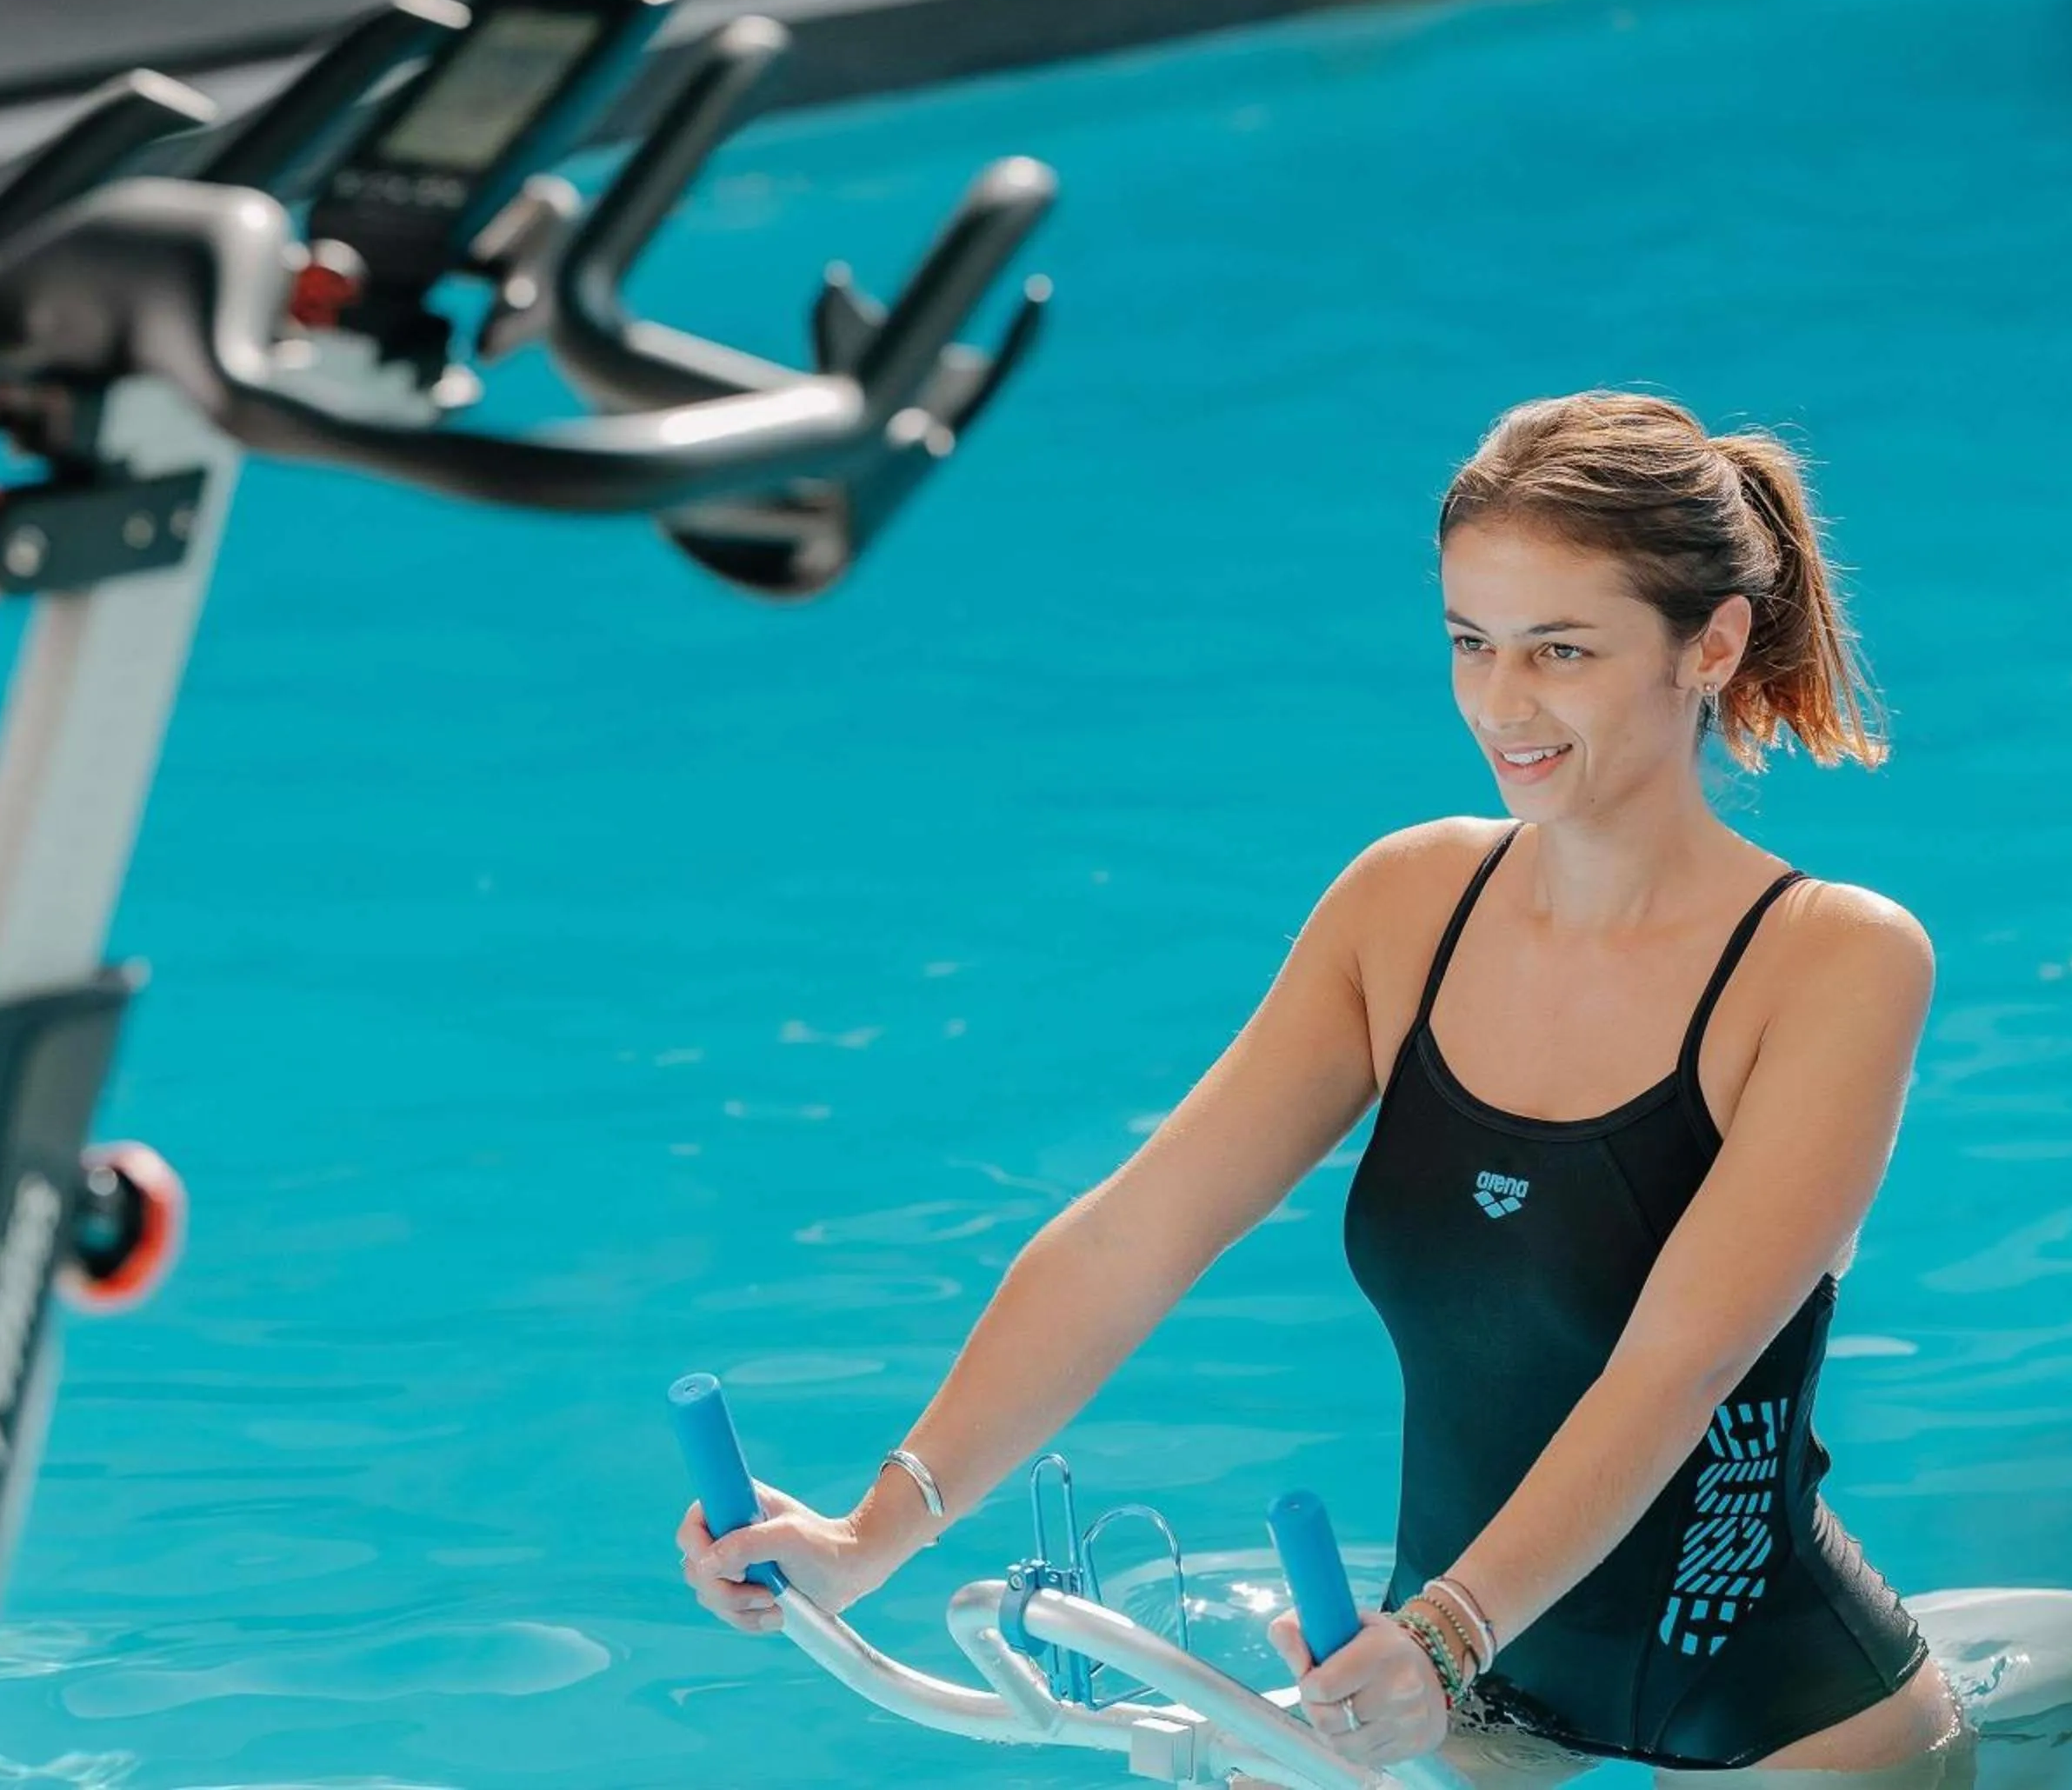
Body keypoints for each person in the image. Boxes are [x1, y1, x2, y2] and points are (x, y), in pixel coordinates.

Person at [677, 390, 1970, 1784]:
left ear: (1709, 642)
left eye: (1561, 649)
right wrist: (869, 1533)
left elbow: (1678, 1365)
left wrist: (1445, 1636)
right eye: (1470, 642)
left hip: (1773, 1717)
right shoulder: (1404, 905)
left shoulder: (1835, 961)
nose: (1502, 703)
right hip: (1450, 1697)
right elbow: (1134, 1235)